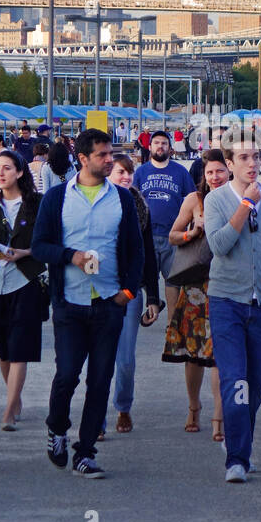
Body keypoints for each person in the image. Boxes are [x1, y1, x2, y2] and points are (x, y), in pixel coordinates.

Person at [31, 128, 144, 479]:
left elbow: (136, 252)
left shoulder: (123, 199)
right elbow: (39, 247)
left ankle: (85, 452)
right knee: (67, 375)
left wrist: (126, 294)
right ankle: (57, 428)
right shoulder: (56, 199)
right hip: (69, 302)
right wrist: (71, 256)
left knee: (99, 380)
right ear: (82, 159)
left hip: (109, 304)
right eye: (102, 155)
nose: (110, 159)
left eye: (110, 153)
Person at [203, 138, 261, 483]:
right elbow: (219, 245)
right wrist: (244, 205)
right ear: (229, 164)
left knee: (256, 384)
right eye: (243, 157)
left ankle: (239, 437)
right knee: (235, 381)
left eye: (256, 156)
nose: (252, 163)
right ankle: (237, 458)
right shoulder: (216, 200)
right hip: (227, 301)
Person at [0, 150, 46, 431]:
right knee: (4, 351)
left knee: (20, 349)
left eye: (7, 168)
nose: (0, 173)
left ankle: (8, 410)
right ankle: (14, 398)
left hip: (25, 280)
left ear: (19, 172)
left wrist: (24, 252)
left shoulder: (36, 204)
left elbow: (47, 242)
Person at [164, 148, 230, 440]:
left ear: (229, 170)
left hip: (227, 283)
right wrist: (193, 231)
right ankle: (193, 406)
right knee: (193, 353)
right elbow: (172, 236)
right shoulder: (194, 200)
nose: (215, 177)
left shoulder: (239, 199)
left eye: (219, 171)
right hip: (196, 287)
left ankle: (219, 415)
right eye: (210, 172)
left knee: (219, 354)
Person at [106, 153, 164, 434]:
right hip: (98, 291)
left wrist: (153, 297)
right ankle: (96, 418)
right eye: (120, 172)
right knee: (99, 356)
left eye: (129, 172)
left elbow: (148, 255)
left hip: (129, 291)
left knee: (125, 358)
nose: (126, 176)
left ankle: (123, 407)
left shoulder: (140, 206)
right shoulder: (97, 205)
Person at [133, 129, 197, 334]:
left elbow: (192, 199)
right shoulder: (141, 172)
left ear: (170, 148)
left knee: (173, 280)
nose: (160, 146)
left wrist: (192, 228)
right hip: (146, 236)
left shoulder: (180, 172)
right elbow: (132, 201)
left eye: (164, 143)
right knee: (142, 278)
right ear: (149, 147)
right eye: (156, 143)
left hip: (173, 236)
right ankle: (153, 304)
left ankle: (172, 322)